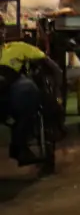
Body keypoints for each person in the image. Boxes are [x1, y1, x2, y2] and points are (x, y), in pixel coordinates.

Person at [0, 27, 56, 166]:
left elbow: (48, 63)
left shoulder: (18, 47)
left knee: (27, 89)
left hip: (12, 89)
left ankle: (20, 145)